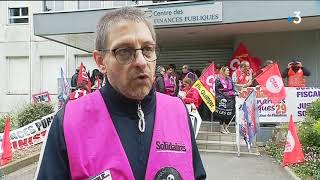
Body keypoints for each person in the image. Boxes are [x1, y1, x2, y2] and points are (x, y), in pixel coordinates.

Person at [35, 7, 206, 180]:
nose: (141, 62)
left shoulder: (178, 111)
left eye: (147, 49)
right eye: (124, 51)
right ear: (101, 62)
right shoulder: (68, 122)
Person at [215, 67, 236, 134]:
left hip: (230, 98)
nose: (228, 72)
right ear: (223, 71)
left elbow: (233, 87)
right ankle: (221, 128)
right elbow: (216, 90)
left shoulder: (230, 79)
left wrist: (235, 92)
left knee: (230, 113)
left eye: (228, 70)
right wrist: (221, 97)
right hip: (222, 99)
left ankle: (226, 127)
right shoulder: (218, 79)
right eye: (227, 70)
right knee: (222, 114)